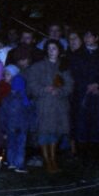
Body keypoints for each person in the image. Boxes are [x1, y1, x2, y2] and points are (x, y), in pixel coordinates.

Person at [27, 39, 74, 173]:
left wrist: (59, 91)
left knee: (55, 132)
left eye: (54, 48)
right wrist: (44, 89)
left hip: (58, 105)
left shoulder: (63, 67)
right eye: (49, 48)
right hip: (43, 104)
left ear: (59, 51)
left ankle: (53, 159)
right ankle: (47, 160)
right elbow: (32, 84)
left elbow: (69, 85)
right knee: (43, 133)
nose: (51, 51)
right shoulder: (38, 66)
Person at [67, 29, 99, 162]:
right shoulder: (77, 55)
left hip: (98, 94)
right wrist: (86, 85)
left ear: (96, 37)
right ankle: (82, 154)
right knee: (82, 124)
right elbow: (75, 72)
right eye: (85, 36)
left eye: (90, 36)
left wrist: (98, 84)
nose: (87, 38)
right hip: (82, 93)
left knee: (97, 124)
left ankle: (96, 154)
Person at [0, 75, 35, 173]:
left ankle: (11, 162)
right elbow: (30, 114)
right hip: (21, 126)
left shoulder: (7, 98)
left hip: (10, 126)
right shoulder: (24, 99)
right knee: (20, 146)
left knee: (11, 144)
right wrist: (31, 126)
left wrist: (3, 128)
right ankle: (19, 165)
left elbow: (2, 115)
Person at [0, 64, 20, 155]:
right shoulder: (1, 85)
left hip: (14, 116)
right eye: (5, 74)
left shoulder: (18, 86)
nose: (5, 76)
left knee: (12, 135)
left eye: (8, 74)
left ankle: (11, 155)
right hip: (2, 114)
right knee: (1, 134)